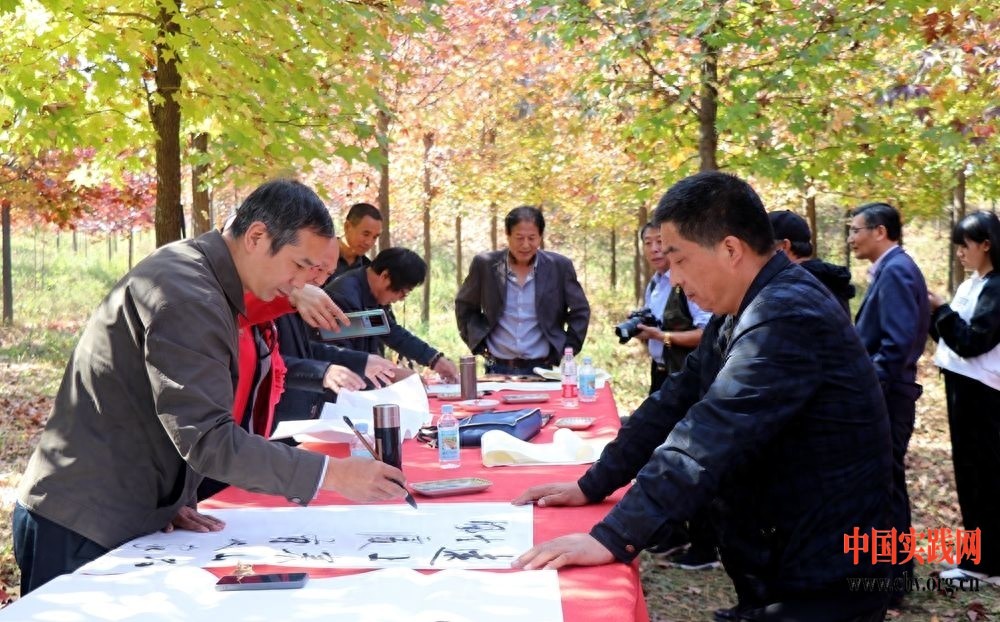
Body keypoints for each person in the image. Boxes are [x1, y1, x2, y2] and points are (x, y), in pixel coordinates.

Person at [512, 172, 891, 622]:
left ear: (730, 250)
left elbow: (709, 432)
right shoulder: (742, 309)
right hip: (781, 552)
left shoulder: (786, 314)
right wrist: (592, 484)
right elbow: (674, 401)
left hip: (824, 568)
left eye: (679, 259)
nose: (673, 279)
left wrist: (614, 537)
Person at [13, 179, 408, 595]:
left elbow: (173, 408)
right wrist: (333, 474)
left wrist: (171, 497)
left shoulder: (205, 278)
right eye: (298, 266)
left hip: (122, 511)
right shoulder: (189, 295)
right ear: (257, 236)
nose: (300, 284)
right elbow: (208, 438)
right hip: (82, 521)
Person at [849, 201, 929, 604]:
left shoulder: (896, 270)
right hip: (890, 393)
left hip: (889, 397)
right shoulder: (892, 269)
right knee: (883, 485)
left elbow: (895, 344)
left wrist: (868, 391)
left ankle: (892, 581)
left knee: (886, 487)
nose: (851, 238)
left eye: (856, 230)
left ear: (880, 232)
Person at [928, 211, 1000, 586]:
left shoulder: (997, 287)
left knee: (981, 476)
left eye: (965, 245)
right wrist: (935, 314)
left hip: (982, 393)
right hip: (964, 387)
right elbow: (952, 337)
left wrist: (940, 310)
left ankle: (981, 564)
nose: (959, 252)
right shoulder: (976, 283)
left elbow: (973, 340)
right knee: (976, 474)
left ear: (986, 244)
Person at [455, 206, 591, 375]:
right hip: (497, 367)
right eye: (519, 238)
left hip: (543, 367)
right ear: (508, 234)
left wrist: (566, 349)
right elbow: (465, 306)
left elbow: (580, 310)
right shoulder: (485, 265)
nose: (525, 245)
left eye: (532, 238)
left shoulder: (559, 267)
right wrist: (478, 344)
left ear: (540, 237)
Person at [323, 247, 460, 382]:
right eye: (402, 292)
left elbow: (390, 332)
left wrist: (434, 359)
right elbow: (339, 357)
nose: (400, 299)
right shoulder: (343, 298)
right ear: (385, 276)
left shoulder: (372, 293)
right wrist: (392, 374)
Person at [635, 222, 712, 394]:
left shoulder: (689, 282)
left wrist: (663, 336)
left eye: (660, 241)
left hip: (686, 375)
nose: (654, 249)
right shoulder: (653, 284)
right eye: (648, 243)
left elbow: (707, 334)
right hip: (659, 372)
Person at [768, 210, 855, 314]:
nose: (759, 253)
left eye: (762, 247)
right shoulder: (824, 278)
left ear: (784, 246)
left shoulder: (795, 287)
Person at [326, 201, 382, 282]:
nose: (369, 242)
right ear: (347, 226)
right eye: (366, 234)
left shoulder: (368, 270)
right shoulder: (319, 253)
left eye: (375, 237)